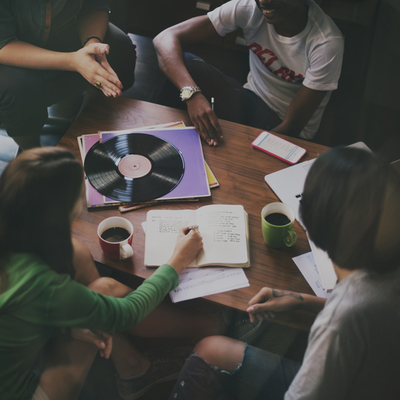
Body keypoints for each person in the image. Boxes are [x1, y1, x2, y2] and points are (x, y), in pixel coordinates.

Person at [0, 147, 234, 400]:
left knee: (76, 253)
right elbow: (127, 312)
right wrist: (178, 259)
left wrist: (69, 321)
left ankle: (132, 368)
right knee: (105, 290)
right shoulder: (42, 285)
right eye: (82, 192)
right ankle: (211, 326)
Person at [168, 146, 400, 400]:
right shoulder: (383, 276)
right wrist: (301, 300)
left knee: (208, 349)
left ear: (311, 230)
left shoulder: (339, 323)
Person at [153, 0, 344, 146]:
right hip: (249, 100)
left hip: (284, 126)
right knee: (186, 66)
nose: (264, 1)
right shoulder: (249, 8)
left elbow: (291, 127)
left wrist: (241, 153)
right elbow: (164, 39)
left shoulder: (326, 43)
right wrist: (191, 95)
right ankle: (154, 142)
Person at [0, 0, 136, 150]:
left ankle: (84, 125)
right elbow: (3, 44)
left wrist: (91, 44)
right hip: (9, 48)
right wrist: (73, 61)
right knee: (19, 87)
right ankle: (31, 151)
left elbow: (94, 6)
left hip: (61, 29)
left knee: (121, 50)